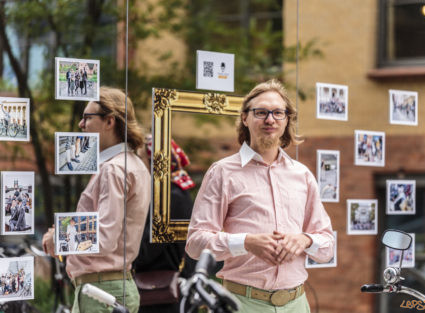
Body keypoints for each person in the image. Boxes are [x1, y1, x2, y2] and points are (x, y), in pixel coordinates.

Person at [186, 79, 334, 313]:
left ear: (287, 120)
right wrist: (246, 242)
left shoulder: (302, 175)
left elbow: (327, 247)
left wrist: (304, 240)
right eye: (261, 112)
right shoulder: (222, 172)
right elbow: (195, 244)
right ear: (245, 118)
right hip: (241, 303)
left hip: (297, 303)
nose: (270, 119)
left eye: (278, 113)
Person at [42, 86, 151, 313]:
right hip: (108, 287)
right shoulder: (132, 164)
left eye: (87, 118)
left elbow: (104, 236)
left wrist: (60, 237)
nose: (81, 125)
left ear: (109, 121)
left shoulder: (114, 169)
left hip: (101, 291)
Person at [133, 135, 195, 313]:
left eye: (140, 157)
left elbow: (147, 248)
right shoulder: (174, 190)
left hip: (163, 297)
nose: (137, 163)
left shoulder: (168, 195)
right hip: (168, 292)